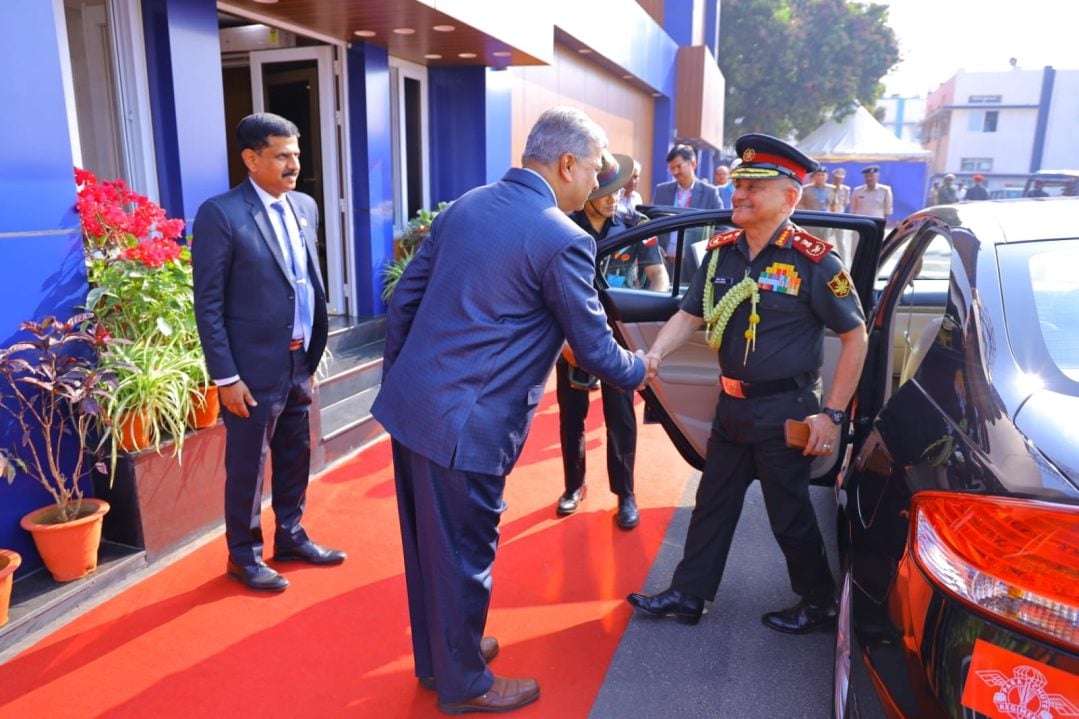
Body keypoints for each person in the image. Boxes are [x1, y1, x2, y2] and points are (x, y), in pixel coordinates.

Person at [371, 106, 648, 714]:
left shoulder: (467, 203)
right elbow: (598, 350)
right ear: (567, 163)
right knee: (466, 555)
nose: (601, 183)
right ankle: (466, 684)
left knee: (427, 548)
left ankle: (443, 658)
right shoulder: (563, 236)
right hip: (468, 424)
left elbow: (402, 306)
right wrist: (643, 369)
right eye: (598, 169)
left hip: (416, 407)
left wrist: (408, 384)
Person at [626, 133, 868, 636]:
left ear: (790, 198)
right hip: (731, 408)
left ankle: (820, 601)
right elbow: (688, 316)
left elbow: (855, 337)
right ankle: (689, 594)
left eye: (753, 187)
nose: (738, 193)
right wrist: (654, 354)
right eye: (738, 182)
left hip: (785, 410)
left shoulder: (815, 260)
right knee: (712, 503)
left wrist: (834, 414)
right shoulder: (721, 254)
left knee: (789, 514)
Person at [192, 112, 345, 594]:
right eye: (282, 155)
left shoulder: (304, 206)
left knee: (296, 454)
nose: (293, 164)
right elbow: (209, 303)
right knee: (248, 465)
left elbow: (305, 283)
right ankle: (244, 554)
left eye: (296, 154)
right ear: (251, 158)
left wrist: (313, 353)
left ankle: (292, 536)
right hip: (251, 370)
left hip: (299, 361)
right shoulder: (222, 213)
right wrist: (225, 377)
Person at [556, 152, 668, 530]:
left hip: (619, 340)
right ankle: (574, 485)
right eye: (603, 190)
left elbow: (658, 278)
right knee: (572, 415)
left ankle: (626, 494)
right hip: (572, 340)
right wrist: (562, 343)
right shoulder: (564, 226)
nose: (610, 197)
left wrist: (647, 325)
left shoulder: (636, 225)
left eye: (615, 190)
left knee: (620, 417)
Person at [654, 144, 723, 276]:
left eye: (679, 166)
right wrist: (655, 248)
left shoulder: (710, 193)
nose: (675, 172)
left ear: (693, 163)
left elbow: (723, 228)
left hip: (694, 265)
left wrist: (707, 251)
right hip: (664, 262)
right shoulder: (662, 191)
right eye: (671, 168)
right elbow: (652, 223)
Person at [616, 158, 644, 226]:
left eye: (635, 177)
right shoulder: (615, 197)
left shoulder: (637, 197)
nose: (633, 181)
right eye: (630, 177)